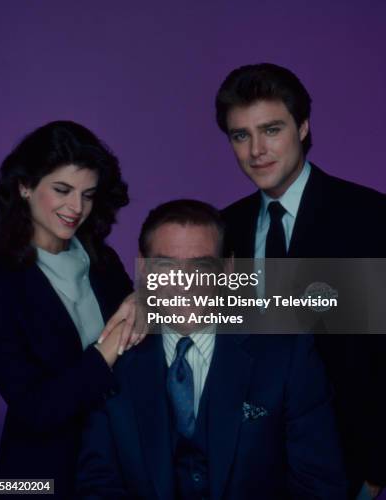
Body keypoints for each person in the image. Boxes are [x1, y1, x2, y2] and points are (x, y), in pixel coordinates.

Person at [76, 199, 348, 500]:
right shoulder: (114, 359)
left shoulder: (287, 354)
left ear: (228, 269)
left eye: (201, 266)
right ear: (143, 268)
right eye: (166, 266)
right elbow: (97, 486)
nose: (184, 284)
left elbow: (319, 486)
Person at [215, 63, 386, 499]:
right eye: (241, 135)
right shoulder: (223, 229)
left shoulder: (370, 217)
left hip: (350, 463)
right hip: (246, 466)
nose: (257, 150)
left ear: (303, 127)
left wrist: (378, 469)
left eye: (271, 129)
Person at [0, 121, 145, 498]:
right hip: (35, 477)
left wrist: (142, 300)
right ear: (24, 187)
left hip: (112, 466)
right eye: (62, 190)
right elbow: (37, 409)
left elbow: (141, 341)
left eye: (88, 195)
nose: (77, 208)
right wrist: (109, 347)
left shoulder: (102, 260)